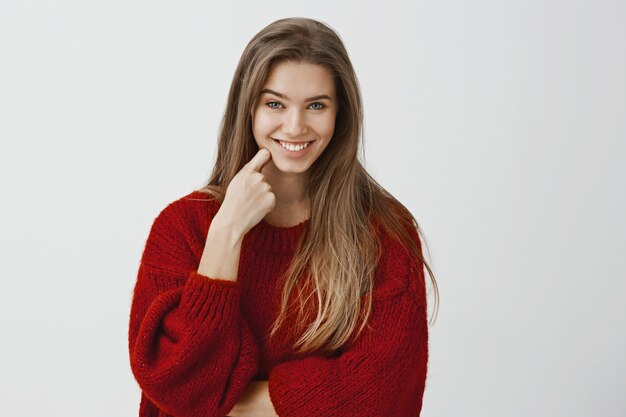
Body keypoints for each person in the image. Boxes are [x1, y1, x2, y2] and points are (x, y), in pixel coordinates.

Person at [128, 16, 439, 417]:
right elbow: (172, 380)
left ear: (340, 113)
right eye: (275, 103)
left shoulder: (385, 231)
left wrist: (232, 405)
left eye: (316, 106)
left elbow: (381, 393)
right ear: (249, 108)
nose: (295, 126)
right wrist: (226, 233)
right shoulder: (183, 227)